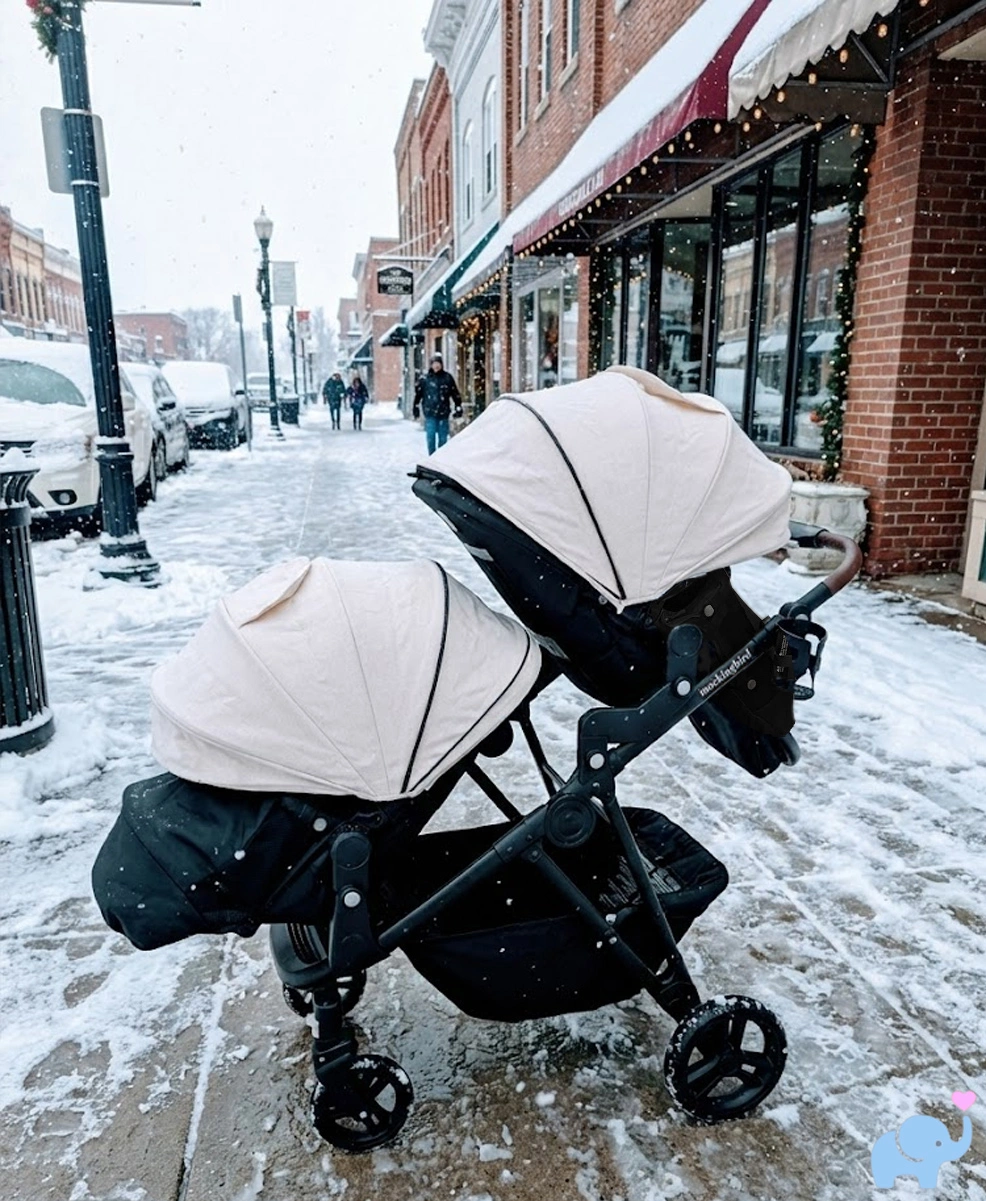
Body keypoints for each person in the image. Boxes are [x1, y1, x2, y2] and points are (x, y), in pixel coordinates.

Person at [413, 353, 462, 455]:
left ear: (441, 364)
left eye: (438, 363)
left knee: (443, 439)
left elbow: (455, 393)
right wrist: (416, 407)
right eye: (434, 363)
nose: (436, 366)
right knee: (431, 438)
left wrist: (458, 406)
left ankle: (441, 459)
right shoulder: (425, 379)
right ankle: (432, 458)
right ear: (431, 365)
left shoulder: (447, 378)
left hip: (443, 413)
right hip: (430, 413)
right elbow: (418, 395)